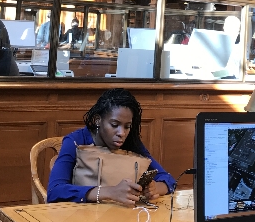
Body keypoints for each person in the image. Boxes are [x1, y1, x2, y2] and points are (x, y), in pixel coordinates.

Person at [47, 88, 176, 205]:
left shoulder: (131, 142)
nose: (122, 133)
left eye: (127, 126)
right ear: (98, 120)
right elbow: (55, 191)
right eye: (114, 125)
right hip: (80, 216)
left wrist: (155, 188)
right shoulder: (75, 141)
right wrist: (110, 192)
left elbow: (169, 180)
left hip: (122, 215)